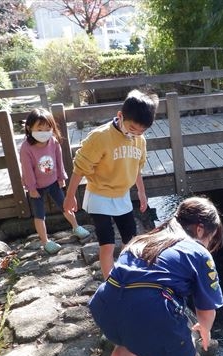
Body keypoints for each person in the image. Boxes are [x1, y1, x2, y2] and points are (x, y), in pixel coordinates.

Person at [88, 196, 223, 356]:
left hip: (104, 307)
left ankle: (123, 351)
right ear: (201, 229)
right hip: (148, 314)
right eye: (210, 238)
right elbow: (207, 308)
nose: (209, 244)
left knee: (133, 313)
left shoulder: (145, 239)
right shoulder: (198, 252)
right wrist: (203, 329)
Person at [63, 89, 159, 278]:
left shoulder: (140, 140)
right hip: (99, 194)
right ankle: (109, 283)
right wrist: (69, 196)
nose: (136, 134)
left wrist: (141, 192)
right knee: (106, 244)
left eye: (142, 131)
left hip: (122, 195)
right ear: (120, 116)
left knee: (130, 240)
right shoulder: (101, 136)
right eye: (132, 129)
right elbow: (80, 166)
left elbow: (136, 168)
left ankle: (124, 275)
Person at [19, 108, 91, 254]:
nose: (44, 132)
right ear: (29, 128)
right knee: (39, 215)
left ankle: (76, 227)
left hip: (53, 182)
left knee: (66, 205)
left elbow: (59, 161)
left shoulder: (53, 142)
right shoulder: (26, 148)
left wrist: (61, 178)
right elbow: (27, 169)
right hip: (36, 187)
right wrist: (31, 188)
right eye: (39, 128)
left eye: (48, 128)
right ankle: (45, 241)